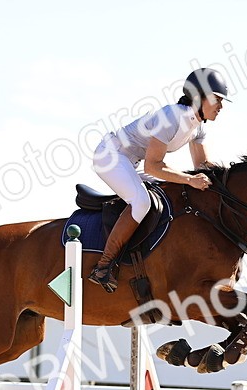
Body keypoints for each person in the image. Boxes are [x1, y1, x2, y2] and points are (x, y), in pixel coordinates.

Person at [88, 67, 230, 292]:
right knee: (142, 201)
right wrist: (188, 180)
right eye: (217, 100)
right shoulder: (172, 117)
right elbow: (153, 166)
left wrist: (229, 175)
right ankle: (104, 266)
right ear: (199, 97)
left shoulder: (197, 126)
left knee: (168, 191)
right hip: (110, 156)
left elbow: (202, 165)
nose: (221, 107)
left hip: (129, 162)